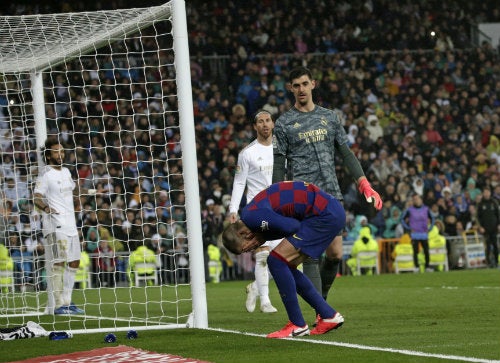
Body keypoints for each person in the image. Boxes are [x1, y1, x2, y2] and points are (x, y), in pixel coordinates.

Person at [272, 66, 382, 301]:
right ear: (291, 89)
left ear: (313, 84)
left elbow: (346, 152)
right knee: (311, 254)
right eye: (296, 85)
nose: (301, 89)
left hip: (332, 193)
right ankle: (320, 309)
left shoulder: (330, 117)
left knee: (335, 254)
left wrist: (363, 182)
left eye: (304, 84)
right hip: (304, 196)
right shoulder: (283, 123)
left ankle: (319, 299)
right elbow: (279, 163)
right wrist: (275, 196)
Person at [222, 181, 345, 338]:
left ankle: (297, 324)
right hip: (329, 210)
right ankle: (328, 315)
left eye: (246, 247)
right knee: (286, 265)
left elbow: (292, 226)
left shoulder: (252, 218)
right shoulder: (250, 213)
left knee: (276, 260)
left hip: (323, 214)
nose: (252, 249)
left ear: (243, 234)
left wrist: (264, 235)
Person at [228, 110, 279, 313]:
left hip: (281, 207)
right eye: (260, 121)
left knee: (286, 256)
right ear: (254, 126)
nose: (265, 124)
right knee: (262, 255)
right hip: (258, 208)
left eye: (267, 120)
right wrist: (233, 208)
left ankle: (255, 287)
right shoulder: (247, 153)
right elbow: (239, 182)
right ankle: (265, 300)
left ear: (273, 124)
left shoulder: (281, 148)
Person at [33, 139, 89, 314]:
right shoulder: (45, 175)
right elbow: (36, 197)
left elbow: (74, 191)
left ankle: (68, 300)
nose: (61, 155)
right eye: (57, 152)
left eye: (62, 151)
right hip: (55, 224)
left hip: (71, 224)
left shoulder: (66, 171)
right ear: (48, 155)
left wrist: (93, 191)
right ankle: (58, 304)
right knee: (59, 261)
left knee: (74, 262)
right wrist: (47, 208)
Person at [400, 193, 435, 273]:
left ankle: (427, 266)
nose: (416, 200)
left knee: (426, 250)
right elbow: (402, 219)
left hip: (424, 233)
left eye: (417, 198)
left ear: (421, 200)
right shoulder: (409, 210)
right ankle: (416, 266)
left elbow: (432, 218)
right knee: (415, 251)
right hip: (415, 234)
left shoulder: (426, 209)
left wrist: (429, 228)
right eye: (414, 199)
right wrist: (409, 229)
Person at [476, 187, 499, 268]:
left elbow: (498, 214)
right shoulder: (480, 204)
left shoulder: (494, 202)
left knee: (495, 245)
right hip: (485, 229)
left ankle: (496, 262)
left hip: (494, 228)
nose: (486, 194)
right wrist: (480, 227)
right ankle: (488, 262)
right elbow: (477, 217)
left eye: (488, 192)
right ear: (483, 193)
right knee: (487, 246)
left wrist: (499, 225)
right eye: (485, 192)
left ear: (490, 193)